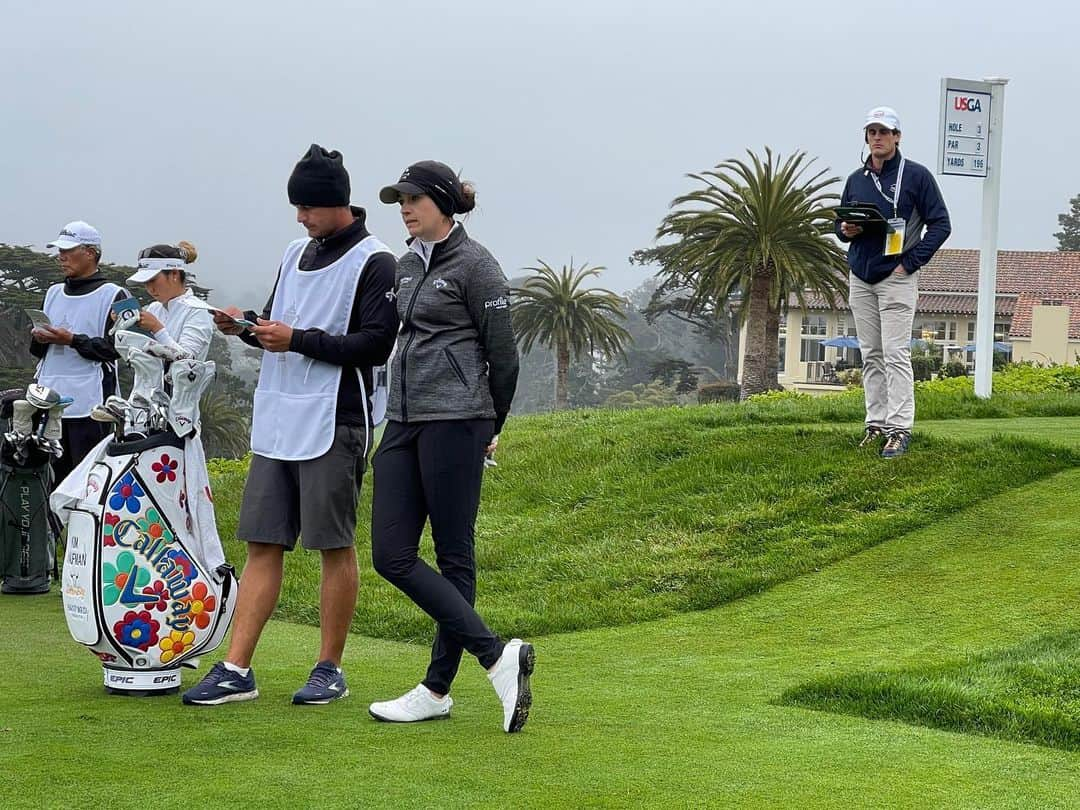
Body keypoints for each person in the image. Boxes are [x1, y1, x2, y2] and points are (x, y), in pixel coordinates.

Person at [180, 145, 398, 706]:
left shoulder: (376, 261)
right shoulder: (294, 252)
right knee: (262, 541)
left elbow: (376, 345)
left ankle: (329, 667)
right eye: (296, 207)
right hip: (279, 416)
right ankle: (236, 668)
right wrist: (246, 329)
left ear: (338, 203)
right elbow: (280, 323)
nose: (300, 217)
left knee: (333, 545)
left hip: (337, 417)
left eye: (308, 207)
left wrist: (295, 340)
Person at [367, 160, 532, 733]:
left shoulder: (477, 266)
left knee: (454, 554)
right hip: (403, 422)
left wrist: (492, 426)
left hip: (459, 421)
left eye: (413, 199)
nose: (405, 209)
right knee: (391, 555)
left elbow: (504, 356)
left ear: (441, 202)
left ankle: (437, 689)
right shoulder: (408, 264)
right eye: (400, 201)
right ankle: (495, 655)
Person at [836, 106, 951, 459]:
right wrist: (845, 230)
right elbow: (840, 227)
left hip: (896, 276)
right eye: (872, 132)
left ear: (897, 137)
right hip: (861, 275)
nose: (877, 138)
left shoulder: (916, 176)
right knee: (870, 352)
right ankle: (876, 423)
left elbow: (941, 225)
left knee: (895, 352)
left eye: (884, 132)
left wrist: (910, 263)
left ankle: (900, 429)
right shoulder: (856, 179)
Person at [30, 221, 131, 483]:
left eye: (68, 250)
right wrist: (41, 338)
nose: (61, 256)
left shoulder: (115, 294)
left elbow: (116, 349)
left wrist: (72, 339)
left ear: (90, 252)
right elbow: (39, 353)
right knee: (50, 479)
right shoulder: (53, 292)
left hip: (91, 402)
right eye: (59, 250)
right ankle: (51, 525)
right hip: (50, 398)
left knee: (88, 479)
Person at [125, 241, 214, 361]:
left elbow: (187, 360)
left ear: (174, 274)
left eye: (153, 280)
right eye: (145, 282)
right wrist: (126, 326)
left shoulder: (198, 310)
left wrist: (157, 328)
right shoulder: (154, 308)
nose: (150, 289)